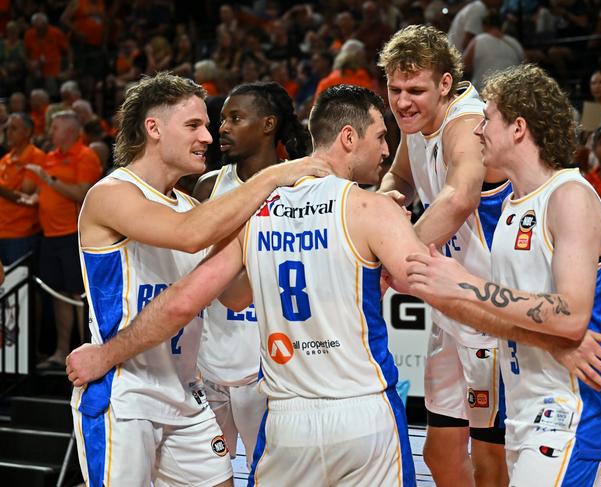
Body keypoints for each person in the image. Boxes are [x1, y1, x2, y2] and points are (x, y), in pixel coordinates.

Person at [67, 84, 422, 487]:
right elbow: (190, 235)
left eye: (208, 124)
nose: (207, 135)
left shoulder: (192, 205)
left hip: (186, 391)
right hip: (126, 389)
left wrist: (348, 245)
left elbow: (233, 293)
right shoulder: (112, 194)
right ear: (154, 128)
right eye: (194, 125)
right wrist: (276, 176)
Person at [405, 64, 601, 487]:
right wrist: (455, 295)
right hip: (526, 409)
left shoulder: (570, 197)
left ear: (519, 128)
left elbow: (571, 315)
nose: (478, 130)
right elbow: (506, 321)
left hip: (575, 412)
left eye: (487, 119)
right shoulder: (510, 211)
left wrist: (466, 284)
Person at [377, 24, 511, 486]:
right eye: (395, 89)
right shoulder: (416, 123)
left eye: (415, 89)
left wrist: (394, 257)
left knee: (493, 459)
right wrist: (386, 202)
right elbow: (399, 177)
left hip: (490, 309)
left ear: (446, 85)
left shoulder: (466, 122)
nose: (401, 101)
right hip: (450, 309)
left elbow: (459, 198)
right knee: (439, 453)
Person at [193, 81, 311, 467]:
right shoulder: (209, 184)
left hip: (268, 361)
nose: (222, 128)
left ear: (268, 124)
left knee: (267, 472)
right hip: (209, 357)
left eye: (236, 118)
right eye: (222, 118)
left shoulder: (299, 186)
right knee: (206, 475)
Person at [26, 110, 103, 369]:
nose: (50, 132)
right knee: (59, 294)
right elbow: (45, 189)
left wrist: (49, 179)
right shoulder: (51, 156)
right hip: (49, 235)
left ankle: (88, 351)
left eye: (55, 127)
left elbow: (82, 192)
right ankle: (61, 352)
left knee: (79, 295)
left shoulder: (86, 156)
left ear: (70, 131)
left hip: (74, 235)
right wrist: (36, 197)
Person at [0, 113, 45, 265]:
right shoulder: (5, 159)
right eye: (6, 129)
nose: (8, 133)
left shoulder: (36, 156)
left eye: (13, 128)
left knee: (20, 283)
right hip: (2, 232)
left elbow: (25, 193)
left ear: (27, 132)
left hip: (21, 234)